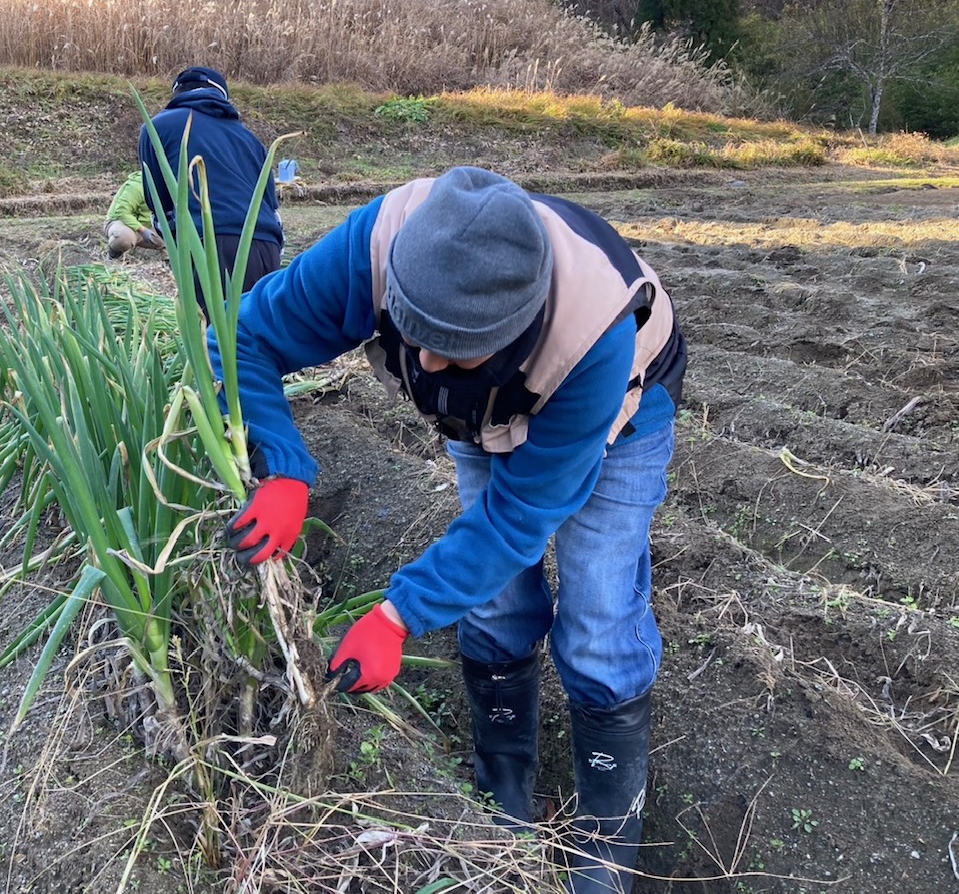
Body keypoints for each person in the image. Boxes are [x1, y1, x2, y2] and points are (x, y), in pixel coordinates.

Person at [216, 166, 686, 894]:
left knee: (598, 614)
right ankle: (507, 792)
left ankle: (606, 837)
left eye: (453, 347)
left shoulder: (591, 339)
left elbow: (517, 520)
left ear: (515, 331)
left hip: (621, 417)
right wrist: (284, 467)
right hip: (482, 411)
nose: (426, 362)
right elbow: (243, 337)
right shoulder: (374, 252)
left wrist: (398, 616)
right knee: (495, 605)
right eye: (416, 333)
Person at [139, 66, 284, 310]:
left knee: (216, 340)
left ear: (177, 94)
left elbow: (159, 204)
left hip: (211, 244)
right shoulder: (249, 138)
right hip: (267, 245)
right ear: (222, 97)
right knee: (262, 337)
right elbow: (273, 207)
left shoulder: (157, 127)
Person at [105, 170, 165, 258]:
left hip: (149, 225)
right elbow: (121, 212)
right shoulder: (137, 185)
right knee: (124, 239)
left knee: (174, 240)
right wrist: (142, 230)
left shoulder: (165, 185)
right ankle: (113, 254)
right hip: (122, 222)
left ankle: (168, 263)